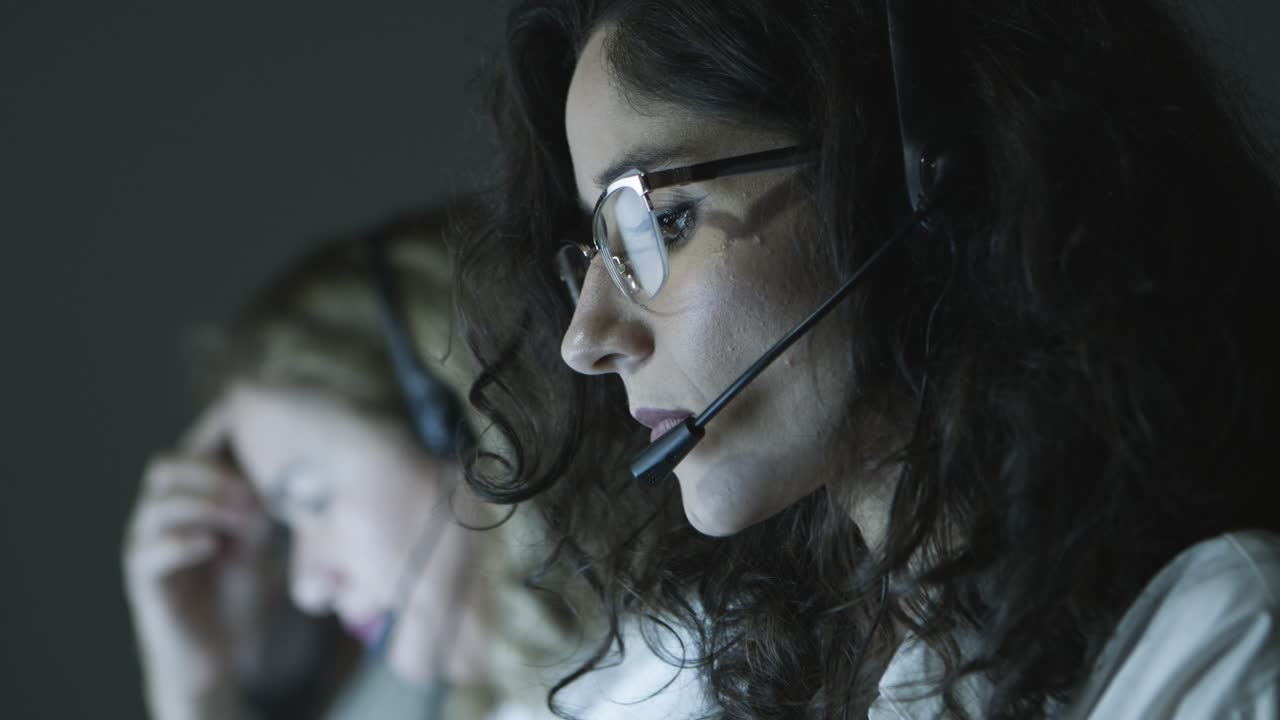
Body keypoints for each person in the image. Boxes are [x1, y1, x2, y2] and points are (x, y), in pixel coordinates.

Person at [455, 0, 1280, 717]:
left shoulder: (1218, 646)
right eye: (597, 244)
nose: (585, 338)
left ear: (926, 184)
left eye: (658, 220)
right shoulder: (833, 660)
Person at [123, 209, 706, 719]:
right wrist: (196, 691)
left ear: (463, 429)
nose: (309, 589)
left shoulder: (688, 683)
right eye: (289, 528)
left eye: (313, 500)